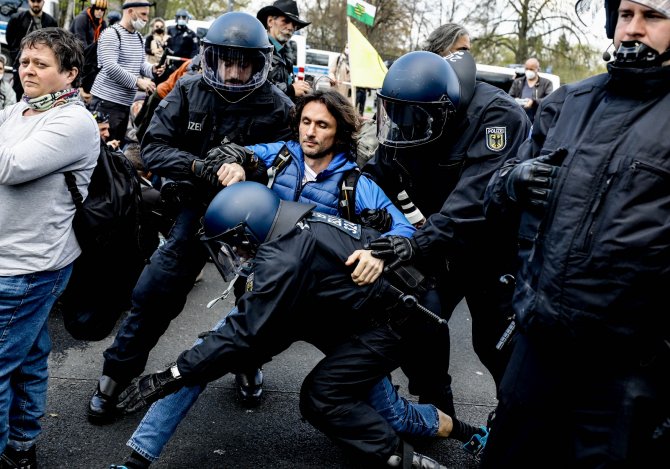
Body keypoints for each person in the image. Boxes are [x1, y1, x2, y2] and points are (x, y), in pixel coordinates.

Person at [109, 181, 485, 469]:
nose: (238, 256)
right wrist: (182, 370)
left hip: (385, 325)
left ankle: (431, 449)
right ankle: (137, 459)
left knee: (345, 402)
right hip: (333, 314)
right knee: (204, 354)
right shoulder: (289, 225)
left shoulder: (282, 257)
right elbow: (238, 336)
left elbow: (243, 332)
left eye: (237, 247)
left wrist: (169, 374)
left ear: (247, 231)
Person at [479, 0, 670, 466]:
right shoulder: (567, 103)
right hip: (537, 350)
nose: (633, 30)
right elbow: (493, 196)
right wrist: (512, 181)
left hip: (628, 375)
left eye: (654, 16)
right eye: (625, 15)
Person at [86, 11, 294, 426]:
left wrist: (248, 167)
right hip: (195, 208)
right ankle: (116, 375)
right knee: (155, 291)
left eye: (244, 62)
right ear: (211, 57)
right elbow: (153, 147)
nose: (234, 72)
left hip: (251, 219)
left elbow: (289, 162)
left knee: (254, 299)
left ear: (260, 63)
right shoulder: (188, 90)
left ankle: (247, 364)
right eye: (226, 60)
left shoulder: (279, 105)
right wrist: (199, 168)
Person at [363, 50, 531, 408]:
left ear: (444, 113)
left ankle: (515, 423)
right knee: (419, 319)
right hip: (438, 245)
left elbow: (474, 202)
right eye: (396, 114)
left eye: (411, 117)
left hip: (494, 248)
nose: (402, 124)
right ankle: (436, 405)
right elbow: (380, 168)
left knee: (497, 342)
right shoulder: (411, 109)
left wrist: (416, 243)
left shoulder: (499, 117)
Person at [0, 28, 99, 467]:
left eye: (41, 64)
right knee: (27, 355)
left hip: (29, 264)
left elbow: (13, 166)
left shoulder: (72, 121)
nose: (28, 71)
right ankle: (21, 446)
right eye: (25, 62)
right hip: (13, 256)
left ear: (70, 74)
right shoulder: (18, 110)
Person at [89, 0, 164, 145]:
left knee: (116, 148)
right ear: (130, 12)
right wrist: (137, 81)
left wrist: (153, 69)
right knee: (102, 148)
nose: (146, 19)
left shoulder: (138, 37)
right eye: (143, 14)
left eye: (147, 15)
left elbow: (140, 64)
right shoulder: (111, 34)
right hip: (106, 103)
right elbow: (110, 66)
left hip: (124, 104)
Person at [256, 0, 312, 101]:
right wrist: (291, 90)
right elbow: (255, 90)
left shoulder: (286, 55)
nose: (291, 27)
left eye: (294, 25)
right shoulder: (258, 50)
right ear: (270, 22)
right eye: (285, 21)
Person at [5, 0, 58, 102]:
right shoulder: (17, 19)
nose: (36, 4)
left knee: (42, 90)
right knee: (18, 89)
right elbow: (10, 39)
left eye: (38, 1)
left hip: (42, 63)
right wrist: (17, 55)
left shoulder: (50, 21)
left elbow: (55, 42)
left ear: (43, 2)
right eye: (33, 1)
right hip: (21, 61)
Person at [508, 57, 554, 123]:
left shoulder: (546, 83)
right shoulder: (518, 82)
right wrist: (516, 101)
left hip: (537, 120)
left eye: (531, 69)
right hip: (519, 119)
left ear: (538, 69)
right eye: (526, 69)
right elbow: (509, 97)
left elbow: (549, 99)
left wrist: (533, 102)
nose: (528, 71)